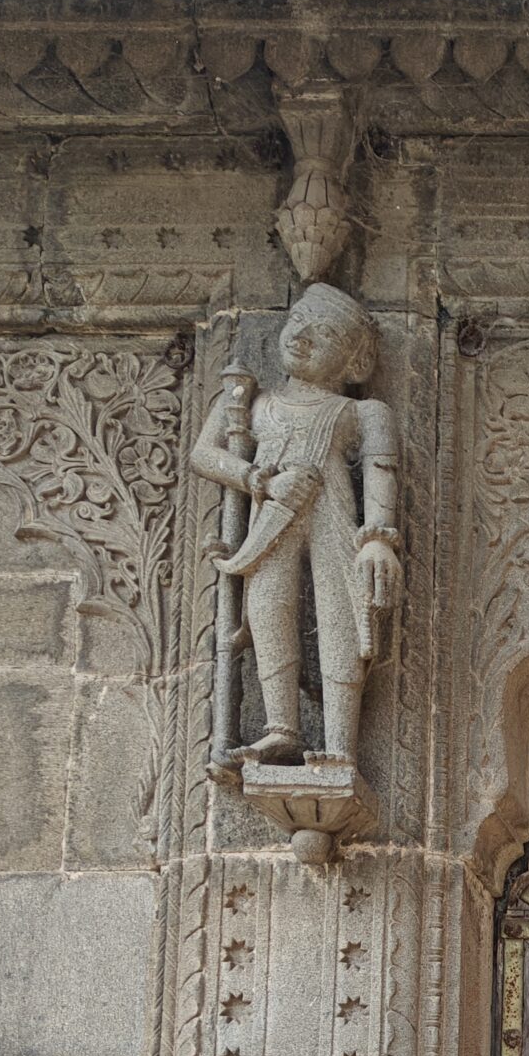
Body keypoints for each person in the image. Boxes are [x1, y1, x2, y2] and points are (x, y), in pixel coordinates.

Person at [192, 280, 401, 764]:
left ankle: (340, 744)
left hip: (333, 516)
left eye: (324, 334)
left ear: (353, 363)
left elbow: (380, 473)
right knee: (267, 607)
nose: (302, 337)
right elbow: (204, 454)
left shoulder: (362, 412)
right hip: (272, 513)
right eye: (299, 321)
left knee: (340, 612)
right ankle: (281, 726)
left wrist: (378, 539)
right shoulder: (251, 403)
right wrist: (258, 480)